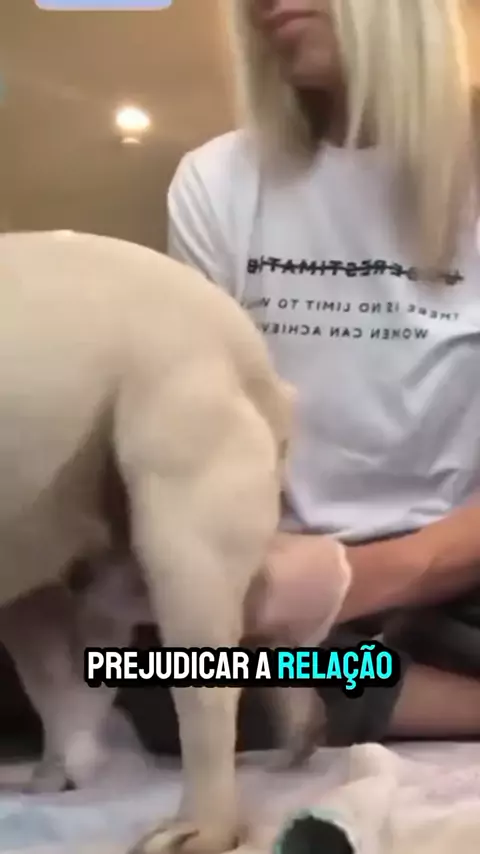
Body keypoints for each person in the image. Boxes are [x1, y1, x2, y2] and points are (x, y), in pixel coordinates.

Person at [166, 0, 480, 746]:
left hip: (457, 573)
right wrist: (259, 580)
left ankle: (342, 695)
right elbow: (197, 445)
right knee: (123, 659)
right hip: (280, 590)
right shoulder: (215, 181)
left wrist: (363, 579)